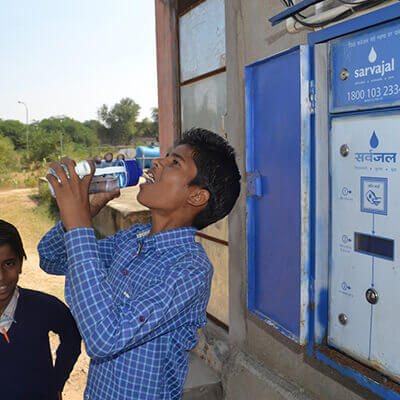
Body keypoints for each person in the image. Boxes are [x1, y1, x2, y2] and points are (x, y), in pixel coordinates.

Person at [38, 128, 241, 400]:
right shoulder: (131, 240)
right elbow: (51, 259)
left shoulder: (190, 269)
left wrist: (79, 223)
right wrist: (86, 211)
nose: (156, 162)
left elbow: (105, 337)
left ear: (196, 196)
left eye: (174, 163)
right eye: (165, 157)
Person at [0, 219, 81, 400]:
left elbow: (72, 334)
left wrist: (56, 382)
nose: (1, 276)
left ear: (20, 264)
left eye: (9, 264)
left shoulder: (43, 307)